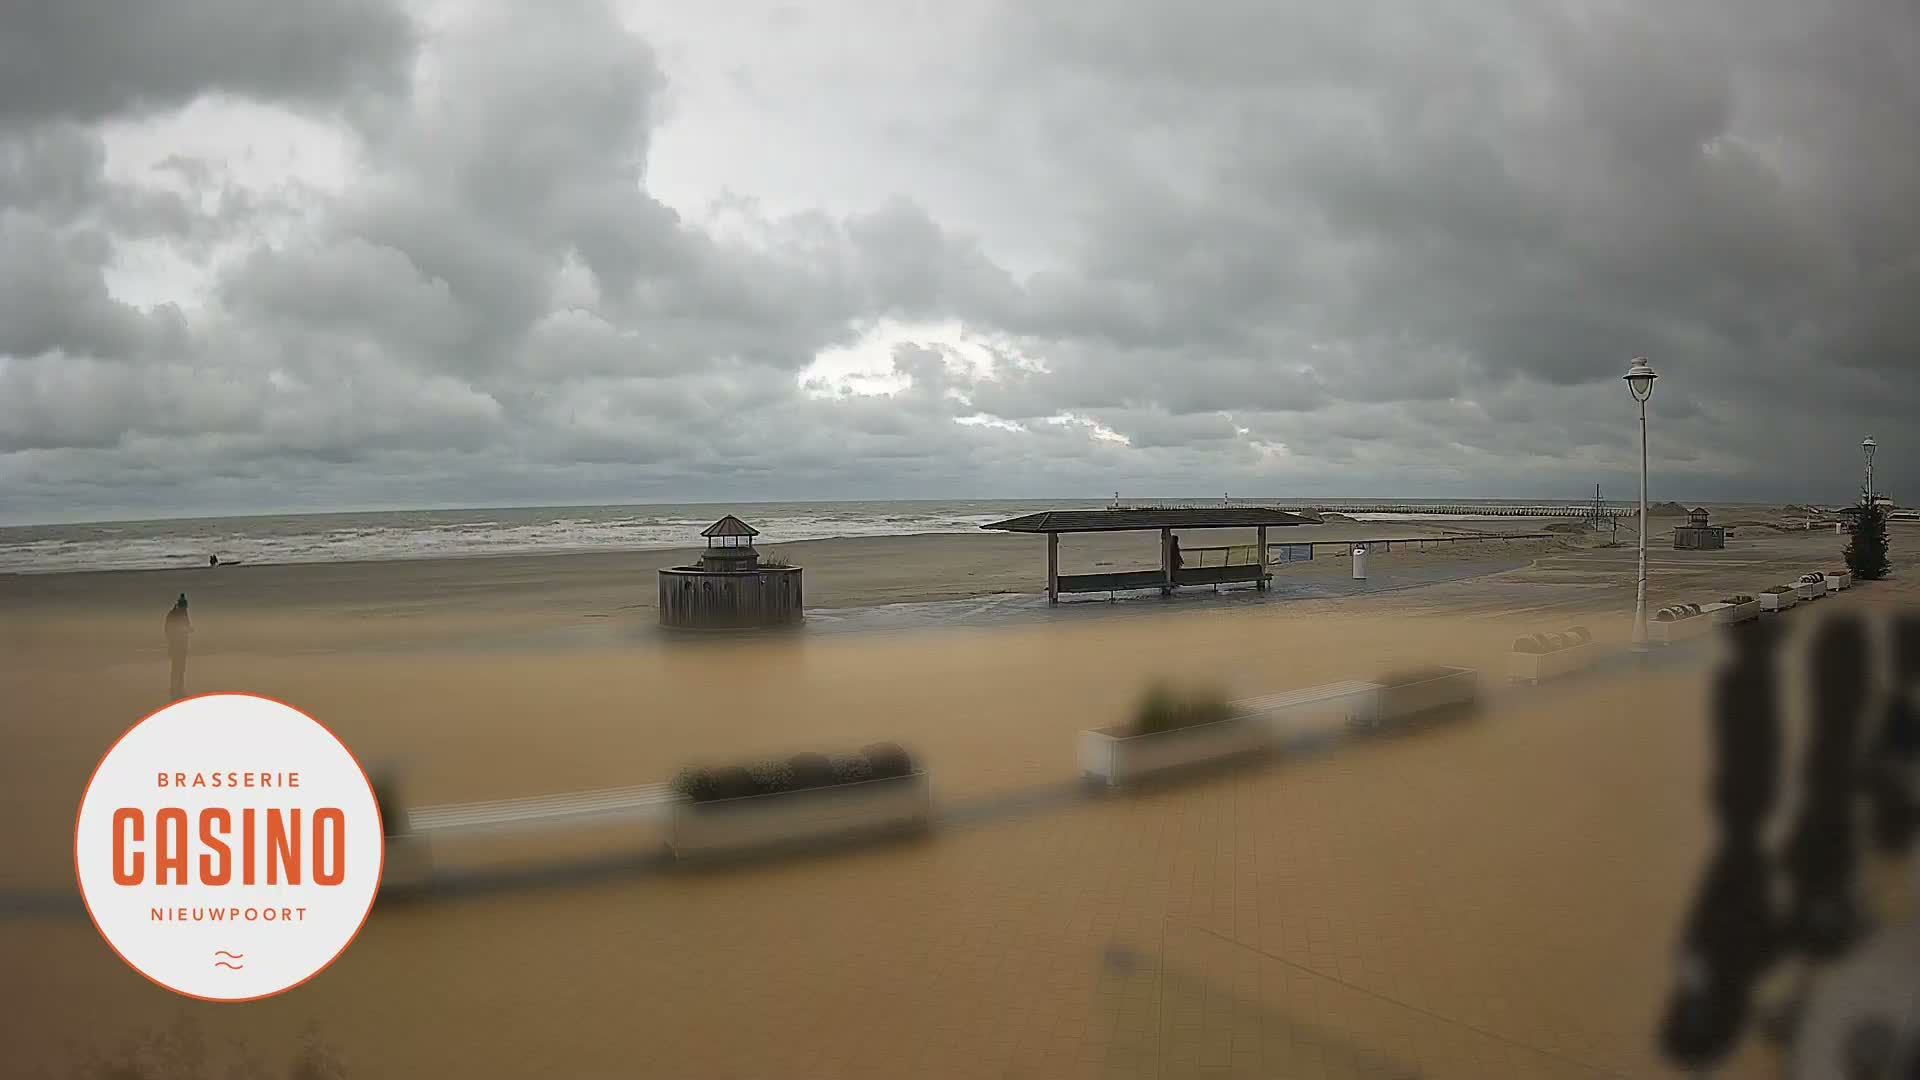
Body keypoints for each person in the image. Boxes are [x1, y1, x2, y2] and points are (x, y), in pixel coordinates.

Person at [164, 593, 192, 699]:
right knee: (176, 667)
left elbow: (187, 626)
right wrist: (183, 631)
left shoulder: (182, 614)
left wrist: (187, 630)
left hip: (182, 644)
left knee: (180, 668)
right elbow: (169, 630)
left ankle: (178, 688)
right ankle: (175, 689)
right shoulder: (174, 615)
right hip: (175, 644)